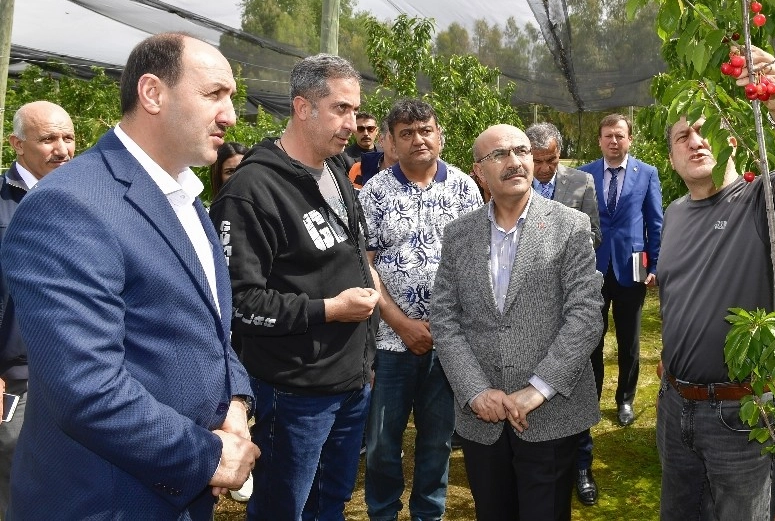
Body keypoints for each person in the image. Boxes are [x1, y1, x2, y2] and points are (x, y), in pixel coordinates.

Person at [0, 32, 258, 520]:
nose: (230, 115)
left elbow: (210, 328)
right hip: (105, 499)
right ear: (153, 93)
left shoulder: (185, 198)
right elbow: (87, 388)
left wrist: (236, 405)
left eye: (231, 98)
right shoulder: (69, 205)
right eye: (214, 95)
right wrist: (208, 457)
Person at [209, 53, 381, 521]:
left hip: (349, 382)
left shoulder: (335, 171)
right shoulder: (252, 191)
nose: (353, 122)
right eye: (341, 109)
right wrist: (328, 309)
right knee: (282, 507)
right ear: (303, 108)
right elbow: (238, 303)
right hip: (295, 391)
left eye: (355, 110)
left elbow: (351, 257)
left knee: (331, 501)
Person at [656, 46, 775, 521]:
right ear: (671, 158)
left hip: (743, 417)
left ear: (732, 142)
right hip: (675, 407)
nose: (695, 141)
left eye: (707, 131)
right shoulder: (675, 214)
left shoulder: (762, 204)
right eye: (682, 136)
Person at [430, 124, 604, 521]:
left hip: (550, 415)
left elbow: (584, 315)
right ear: (479, 170)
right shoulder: (459, 234)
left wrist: (538, 389)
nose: (515, 162)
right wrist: (475, 391)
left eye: (521, 151)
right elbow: (444, 317)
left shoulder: (570, 226)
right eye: (500, 155)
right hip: (482, 417)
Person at [359, 98, 482, 521]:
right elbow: (366, 265)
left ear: (440, 134)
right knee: (381, 441)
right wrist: (402, 324)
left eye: (425, 130)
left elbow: (473, 263)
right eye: (406, 133)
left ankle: (430, 512)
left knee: (437, 440)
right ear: (391, 141)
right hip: (391, 341)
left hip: (447, 341)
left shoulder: (465, 188)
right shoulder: (375, 191)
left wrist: (442, 326)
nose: (418, 139)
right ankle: (382, 512)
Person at [0, 101, 75, 517]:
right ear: (17, 144)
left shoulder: (88, 199)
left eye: (68, 138)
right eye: (48, 139)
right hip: (17, 381)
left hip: (78, 372)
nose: (61, 149)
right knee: (14, 479)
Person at [524, 121, 603, 505]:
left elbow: (596, 234)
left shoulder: (581, 183)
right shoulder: (512, 180)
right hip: (525, 304)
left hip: (569, 300)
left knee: (573, 380)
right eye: (537, 160)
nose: (543, 169)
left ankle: (582, 464)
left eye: (551, 160)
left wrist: (569, 237)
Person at [579, 114, 663, 427]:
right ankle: (591, 398)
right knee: (591, 337)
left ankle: (625, 400)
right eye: (608, 136)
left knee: (630, 340)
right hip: (592, 266)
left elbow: (655, 222)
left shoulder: (647, 174)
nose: (614, 142)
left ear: (629, 139)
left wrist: (654, 264)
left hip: (635, 265)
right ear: (599, 140)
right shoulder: (583, 174)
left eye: (620, 136)